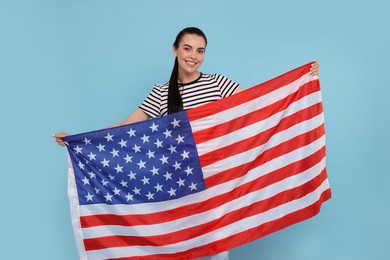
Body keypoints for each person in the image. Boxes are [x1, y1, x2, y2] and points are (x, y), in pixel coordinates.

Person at [53, 27, 319, 259]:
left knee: (218, 245)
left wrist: (302, 80)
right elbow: (126, 125)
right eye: (188, 49)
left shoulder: (218, 84)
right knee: (180, 241)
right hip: (180, 177)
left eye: (200, 51)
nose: (194, 56)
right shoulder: (161, 92)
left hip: (217, 176)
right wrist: (78, 139)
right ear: (175, 50)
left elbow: (258, 103)